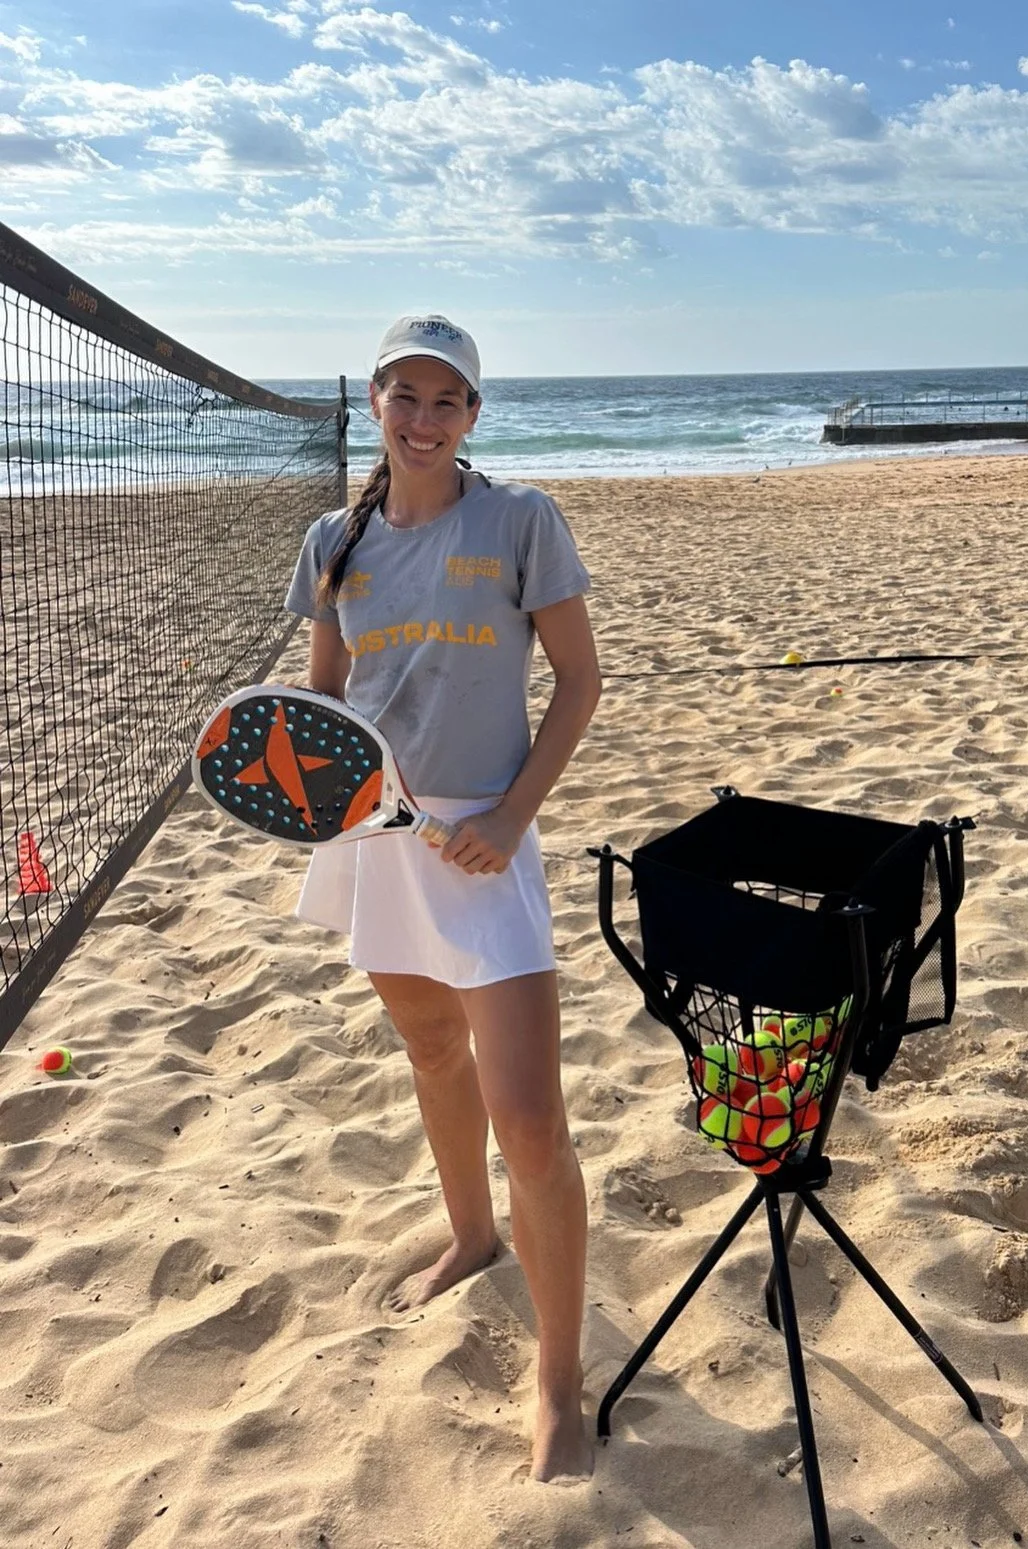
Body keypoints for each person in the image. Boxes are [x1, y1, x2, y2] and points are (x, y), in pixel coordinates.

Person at [283, 315, 602, 1482]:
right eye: (403, 396)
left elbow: (579, 681)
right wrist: (322, 794)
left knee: (531, 1120)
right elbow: (324, 708)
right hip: (381, 842)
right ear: (374, 403)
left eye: (446, 401)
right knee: (429, 1052)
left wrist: (511, 817)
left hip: (489, 839)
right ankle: (474, 1238)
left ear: (474, 416)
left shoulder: (521, 519)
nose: (423, 420)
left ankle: (559, 1388)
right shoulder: (334, 540)